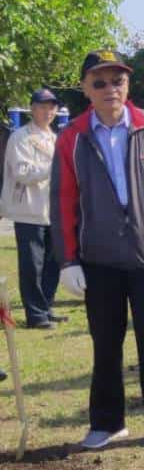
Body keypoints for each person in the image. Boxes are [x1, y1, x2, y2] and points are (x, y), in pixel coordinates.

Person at [50, 49, 144, 449]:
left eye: (118, 80)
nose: (110, 89)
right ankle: (107, 421)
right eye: (99, 82)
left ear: (128, 85)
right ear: (85, 89)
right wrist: (67, 260)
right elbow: (62, 201)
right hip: (98, 260)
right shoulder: (72, 137)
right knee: (106, 344)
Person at [1, 88, 66, 328]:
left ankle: (46, 307)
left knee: (53, 263)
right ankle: (36, 315)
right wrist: (54, 167)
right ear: (32, 109)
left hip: (52, 210)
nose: (48, 112)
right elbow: (22, 172)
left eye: (52, 107)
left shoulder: (54, 137)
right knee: (32, 266)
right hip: (29, 209)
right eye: (42, 107)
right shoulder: (21, 137)